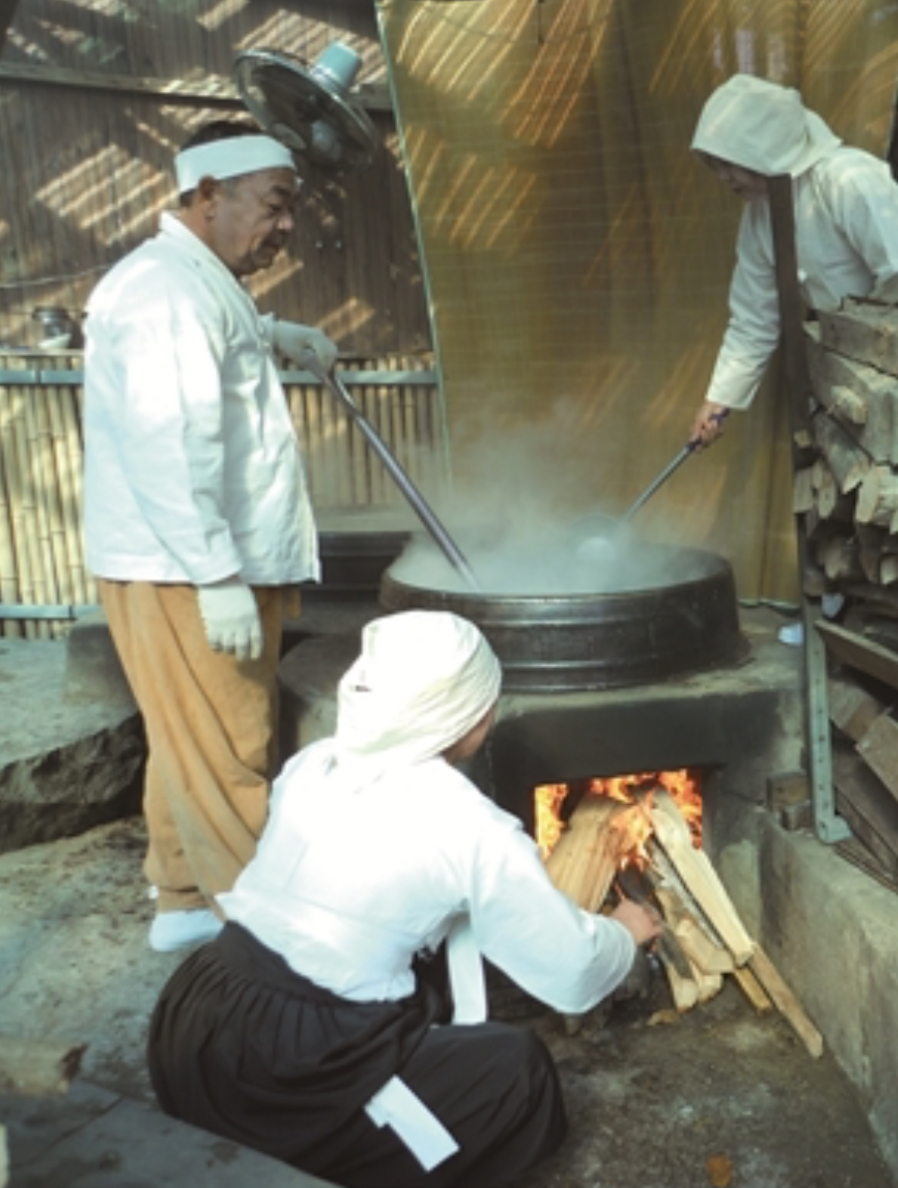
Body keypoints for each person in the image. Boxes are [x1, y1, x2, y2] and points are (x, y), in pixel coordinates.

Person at [147, 609, 662, 1188]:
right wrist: (623, 935)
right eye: (487, 701)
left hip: (193, 1020)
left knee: (420, 982)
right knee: (517, 1071)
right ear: (469, 716)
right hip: (286, 1068)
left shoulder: (313, 763)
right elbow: (569, 964)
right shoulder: (469, 825)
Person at [82, 120, 338, 953]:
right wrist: (215, 574)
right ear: (206, 195)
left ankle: (185, 900)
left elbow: (212, 356)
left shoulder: (194, 279)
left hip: (195, 560)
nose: (287, 225)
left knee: (187, 741)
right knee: (232, 749)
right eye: (275, 203)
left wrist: (270, 333)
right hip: (185, 568)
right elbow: (169, 443)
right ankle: (262, 940)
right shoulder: (166, 293)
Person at [689, 73, 898, 447]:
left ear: (762, 143)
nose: (723, 177)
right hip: (847, 372)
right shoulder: (759, 217)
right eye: (714, 165)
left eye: (728, 162)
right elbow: (753, 321)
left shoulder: (848, 177)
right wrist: (718, 400)